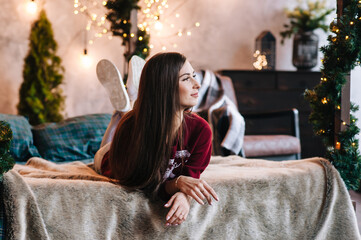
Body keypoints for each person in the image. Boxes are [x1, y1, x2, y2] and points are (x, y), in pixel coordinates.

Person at [94, 52, 218, 227]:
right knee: (121, 123)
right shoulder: (130, 128)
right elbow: (141, 184)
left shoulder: (201, 130)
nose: (197, 85)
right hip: (109, 157)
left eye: (194, 77)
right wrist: (178, 182)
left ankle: (132, 97)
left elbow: (191, 177)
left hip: (143, 126)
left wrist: (184, 195)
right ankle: (126, 104)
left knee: (131, 115)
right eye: (186, 79)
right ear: (164, 86)